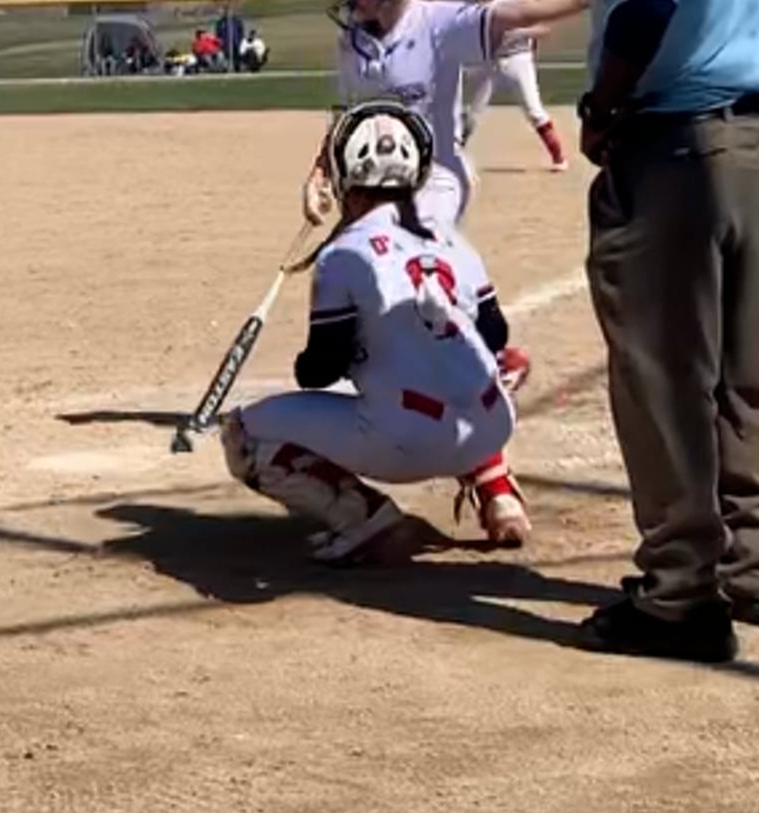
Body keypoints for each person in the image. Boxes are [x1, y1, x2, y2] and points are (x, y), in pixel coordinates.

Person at [572, 1, 759, 662]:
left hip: (675, 146)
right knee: (738, 377)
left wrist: (603, 105)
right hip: (754, 141)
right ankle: (754, 567)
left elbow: (648, 6)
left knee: (663, 383)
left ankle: (680, 595)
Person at [221, 100, 533, 566]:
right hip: (490, 425)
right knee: (473, 364)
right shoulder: (453, 240)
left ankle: (363, 518)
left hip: (404, 445)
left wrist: (368, 347)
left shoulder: (342, 255)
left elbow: (319, 371)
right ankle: (497, 487)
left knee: (243, 434)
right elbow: (494, 335)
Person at [303, 0, 588, 231]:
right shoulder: (352, 41)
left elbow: (519, 12)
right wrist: (319, 174)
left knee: (405, 247)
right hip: (377, 176)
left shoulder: (439, 21)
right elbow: (348, 118)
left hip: (437, 176)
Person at [459, 24, 568, 171]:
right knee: (472, 114)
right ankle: (452, 153)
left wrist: (519, 33)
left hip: (518, 58)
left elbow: (545, 29)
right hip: (489, 59)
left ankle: (558, 157)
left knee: (534, 111)